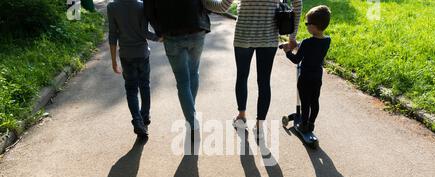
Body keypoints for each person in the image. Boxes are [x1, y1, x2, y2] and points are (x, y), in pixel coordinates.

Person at [144, 0, 233, 140]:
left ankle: (192, 122)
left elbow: (148, 10)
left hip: (170, 33)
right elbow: (208, 4)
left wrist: (158, 31)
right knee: (193, 72)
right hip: (196, 28)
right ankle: (191, 112)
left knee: (182, 81)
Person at [232, 0, 302, 139]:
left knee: (242, 77)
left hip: (243, 36)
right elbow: (298, 4)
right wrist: (292, 37)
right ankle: (259, 126)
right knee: (264, 81)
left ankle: (241, 117)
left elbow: (223, 6)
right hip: (268, 38)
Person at [107, 0, 162, 138]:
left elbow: (113, 35)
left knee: (131, 89)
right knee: (145, 85)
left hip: (126, 56)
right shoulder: (141, 5)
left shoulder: (112, 7)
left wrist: (114, 60)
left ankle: (137, 121)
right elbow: (144, 32)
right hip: (142, 54)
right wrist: (159, 38)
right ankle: (144, 117)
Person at [282, 5, 331, 133]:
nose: (306, 25)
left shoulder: (306, 43)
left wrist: (288, 52)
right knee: (314, 102)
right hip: (317, 78)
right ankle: (311, 124)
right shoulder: (327, 41)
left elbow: (296, 60)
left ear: (313, 26)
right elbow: (312, 49)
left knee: (305, 103)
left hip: (305, 78)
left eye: (307, 23)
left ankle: (303, 124)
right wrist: (299, 45)